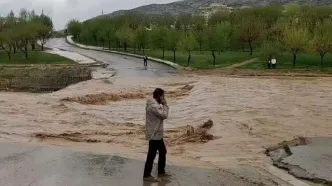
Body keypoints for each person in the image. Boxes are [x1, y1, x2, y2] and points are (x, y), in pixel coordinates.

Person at [143, 88, 171, 182]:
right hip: (154, 134)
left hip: (156, 133)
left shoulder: (152, 104)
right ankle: (147, 175)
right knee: (152, 154)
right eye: (163, 96)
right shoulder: (154, 106)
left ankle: (161, 171)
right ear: (159, 96)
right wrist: (165, 105)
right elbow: (164, 115)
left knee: (162, 151)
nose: (164, 98)